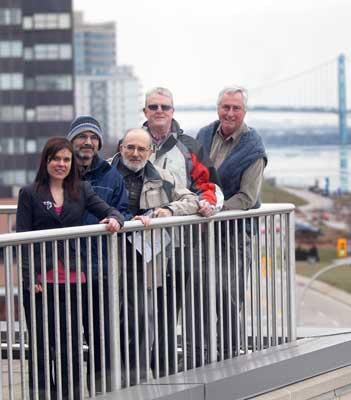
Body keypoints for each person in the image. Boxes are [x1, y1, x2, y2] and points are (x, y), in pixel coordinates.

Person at [17, 137, 124, 400]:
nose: (61, 164)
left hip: (75, 279)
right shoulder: (29, 193)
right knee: (42, 345)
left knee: (71, 344)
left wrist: (114, 220)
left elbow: (111, 211)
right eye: (56, 159)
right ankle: (42, 395)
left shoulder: (82, 190)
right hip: (41, 282)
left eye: (66, 159)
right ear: (46, 161)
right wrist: (30, 279)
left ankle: (71, 394)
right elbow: (22, 238)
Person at [110, 128, 221, 382]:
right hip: (106, 260)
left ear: (150, 152)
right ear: (121, 148)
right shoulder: (104, 172)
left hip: (145, 263)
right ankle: (109, 383)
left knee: (141, 321)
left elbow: (192, 200)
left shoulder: (164, 176)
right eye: (130, 147)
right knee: (108, 324)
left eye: (141, 149)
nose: (135, 153)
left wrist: (169, 210)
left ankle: (133, 383)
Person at [142, 87, 222, 374]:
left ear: (173, 111)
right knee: (140, 315)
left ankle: (164, 376)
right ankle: (142, 374)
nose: (159, 111)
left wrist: (206, 204)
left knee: (166, 316)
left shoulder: (189, 146)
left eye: (165, 106)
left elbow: (209, 186)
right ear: (145, 112)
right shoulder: (131, 143)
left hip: (181, 246)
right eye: (153, 107)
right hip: (140, 248)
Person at [196, 86, 268, 359]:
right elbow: (193, 177)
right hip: (201, 231)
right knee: (202, 296)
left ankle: (228, 355)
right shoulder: (203, 135)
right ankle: (202, 355)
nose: (230, 113)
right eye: (225, 107)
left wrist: (215, 209)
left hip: (233, 233)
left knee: (228, 297)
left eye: (236, 108)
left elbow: (248, 197)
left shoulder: (253, 146)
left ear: (244, 112)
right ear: (218, 108)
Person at [67, 115, 130, 393]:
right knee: (65, 338)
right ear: (71, 141)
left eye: (93, 138)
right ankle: (70, 391)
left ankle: (100, 392)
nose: (88, 142)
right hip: (65, 269)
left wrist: (116, 219)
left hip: (99, 269)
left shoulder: (111, 176)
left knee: (101, 338)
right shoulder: (58, 170)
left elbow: (123, 210)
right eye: (82, 136)